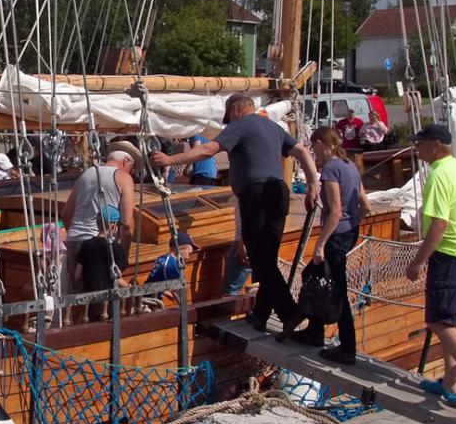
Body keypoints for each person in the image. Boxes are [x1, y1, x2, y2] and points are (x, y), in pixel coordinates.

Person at [154, 95, 319, 339]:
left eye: (228, 118)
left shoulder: (241, 125)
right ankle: (260, 316)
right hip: (278, 193)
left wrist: (170, 160)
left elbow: (209, 149)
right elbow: (303, 152)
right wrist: (313, 183)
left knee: (260, 260)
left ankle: (289, 312)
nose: (228, 123)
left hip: (257, 195)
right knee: (267, 258)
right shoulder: (273, 127)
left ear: (237, 110)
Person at [403, 123, 456, 402]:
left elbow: (439, 223)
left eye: (420, 143)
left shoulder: (438, 175)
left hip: (450, 255)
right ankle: (452, 382)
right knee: (455, 319)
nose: (416, 148)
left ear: (435, 146)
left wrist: (418, 262)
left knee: (439, 320)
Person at [299, 125, 369, 362]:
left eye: (313, 147)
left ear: (320, 143)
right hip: (349, 233)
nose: (313, 153)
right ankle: (314, 330)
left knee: (336, 289)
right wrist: (352, 225)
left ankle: (347, 347)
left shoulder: (330, 168)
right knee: (313, 275)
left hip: (336, 236)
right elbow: (366, 205)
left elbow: (335, 212)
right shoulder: (350, 166)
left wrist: (321, 244)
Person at [63, 142, 140, 323]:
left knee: (76, 300)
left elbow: (66, 214)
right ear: (127, 161)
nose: (131, 173)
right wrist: (122, 256)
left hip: (76, 238)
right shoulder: (123, 178)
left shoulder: (86, 174)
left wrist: (77, 236)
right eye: (132, 168)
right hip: (103, 246)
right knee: (102, 303)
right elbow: (127, 223)